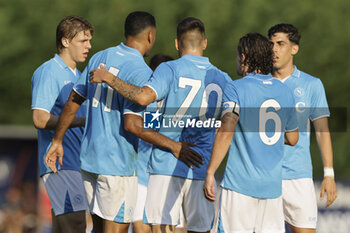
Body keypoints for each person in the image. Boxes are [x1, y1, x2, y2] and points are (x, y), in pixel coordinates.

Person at [44, 12, 202, 233]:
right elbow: (133, 125)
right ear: (150, 35)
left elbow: (74, 99)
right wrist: (175, 145)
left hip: (89, 160)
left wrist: (58, 140)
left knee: (98, 229)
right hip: (117, 166)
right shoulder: (141, 71)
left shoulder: (100, 57)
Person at [89, 17, 232, 233]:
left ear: (176, 44)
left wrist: (109, 78)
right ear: (204, 43)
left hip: (166, 164)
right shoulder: (223, 78)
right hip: (201, 166)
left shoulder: (168, 70)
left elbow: (144, 98)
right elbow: (227, 125)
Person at [204, 33, 299, 233]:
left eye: (238, 55)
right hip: (272, 190)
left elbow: (226, 130)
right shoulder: (285, 91)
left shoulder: (236, 88)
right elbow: (293, 137)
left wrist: (211, 171)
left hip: (240, 187)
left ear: (245, 57)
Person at [268, 23, 337, 233]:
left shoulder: (311, 85)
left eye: (281, 44)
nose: (274, 49)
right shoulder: (260, 82)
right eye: (271, 44)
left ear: (294, 48)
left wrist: (329, 174)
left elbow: (322, 132)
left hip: (298, 176)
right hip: (265, 176)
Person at [31, 16, 93, 233]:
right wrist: (82, 121)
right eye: (83, 41)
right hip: (59, 163)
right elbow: (39, 118)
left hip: (78, 162)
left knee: (67, 226)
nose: (89, 46)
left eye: (89, 41)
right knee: (74, 223)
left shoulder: (79, 75)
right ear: (65, 41)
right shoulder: (49, 71)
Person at [132, 53, 174, 233]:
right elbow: (150, 129)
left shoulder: (178, 104)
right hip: (141, 175)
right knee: (140, 227)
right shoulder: (145, 101)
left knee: (167, 227)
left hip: (166, 175)